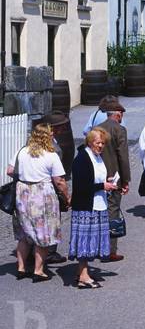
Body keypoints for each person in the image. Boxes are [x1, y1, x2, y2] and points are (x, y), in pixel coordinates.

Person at [7, 123, 70, 282]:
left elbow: (9, 170)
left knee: (24, 233)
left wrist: (24, 176)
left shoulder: (22, 151)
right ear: (47, 136)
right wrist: (67, 197)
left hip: (23, 194)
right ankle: (38, 270)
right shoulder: (50, 154)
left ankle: (21, 268)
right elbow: (59, 180)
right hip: (42, 194)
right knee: (43, 232)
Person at [69, 128, 118, 289]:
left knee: (92, 240)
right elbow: (81, 186)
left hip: (98, 203)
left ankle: (81, 271)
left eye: (103, 143)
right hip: (86, 206)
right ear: (90, 142)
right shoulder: (82, 158)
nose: (101, 146)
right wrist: (102, 185)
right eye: (98, 143)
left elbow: (96, 178)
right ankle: (83, 276)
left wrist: (109, 182)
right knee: (86, 242)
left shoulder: (97, 157)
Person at [99, 99, 131, 262]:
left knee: (98, 211)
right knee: (112, 211)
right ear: (118, 114)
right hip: (114, 176)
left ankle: (96, 245)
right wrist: (126, 181)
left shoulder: (97, 129)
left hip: (98, 177)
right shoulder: (120, 130)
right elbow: (123, 157)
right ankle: (110, 250)